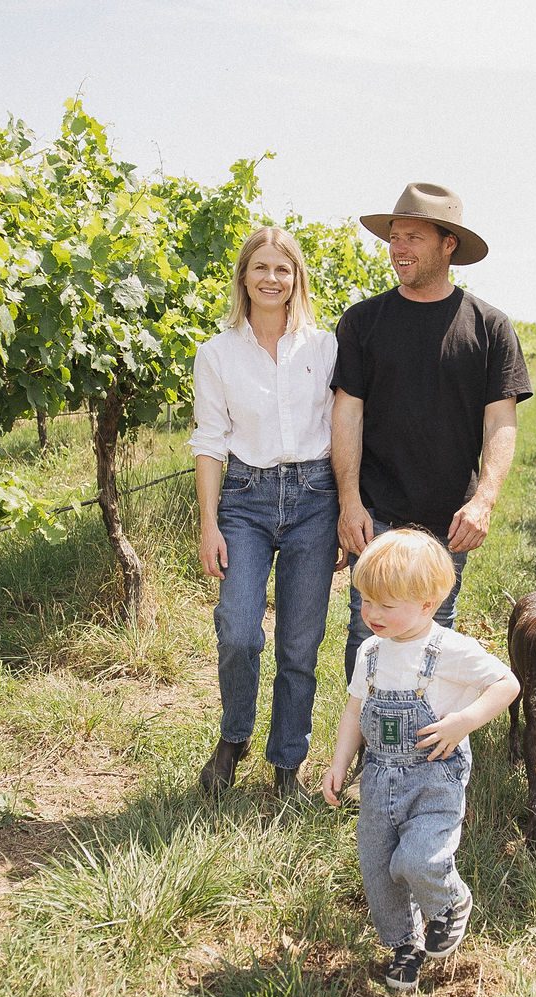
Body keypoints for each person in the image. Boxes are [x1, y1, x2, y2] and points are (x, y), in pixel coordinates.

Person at [331, 182, 532, 684]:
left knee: (433, 637)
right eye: (394, 237)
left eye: (413, 237)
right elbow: (347, 414)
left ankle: (420, 735)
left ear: (448, 245)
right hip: (376, 511)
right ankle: (368, 734)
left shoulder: (489, 326)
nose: (398, 248)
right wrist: (349, 501)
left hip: (450, 517)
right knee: (366, 636)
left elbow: (500, 421)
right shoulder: (362, 322)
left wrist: (484, 501)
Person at [321, 529, 520, 990]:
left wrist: (462, 722)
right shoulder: (371, 652)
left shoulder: (448, 649)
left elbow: (506, 684)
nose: (372, 613)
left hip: (433, 776)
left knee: (418, 858)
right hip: (378, 778)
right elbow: (354, 710)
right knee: (378, 869)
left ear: (428, 603)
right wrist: (339, 763)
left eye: (386, 605)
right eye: (366, 601)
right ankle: (404, 945)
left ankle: (449, 902)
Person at [189, 226, 339, 798]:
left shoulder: (325, 348)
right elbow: (209, 441)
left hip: (315, 497)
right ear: (244, 277)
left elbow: (342, 429)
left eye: (283, 268)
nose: (271, 278)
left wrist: (346, 508)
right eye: (261, 267)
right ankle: (235, 736)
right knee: (237, 630)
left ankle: (286, 764)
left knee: (299, 644)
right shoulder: (217, 353)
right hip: (245, 499)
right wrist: (209, 524)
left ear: (296, 278)